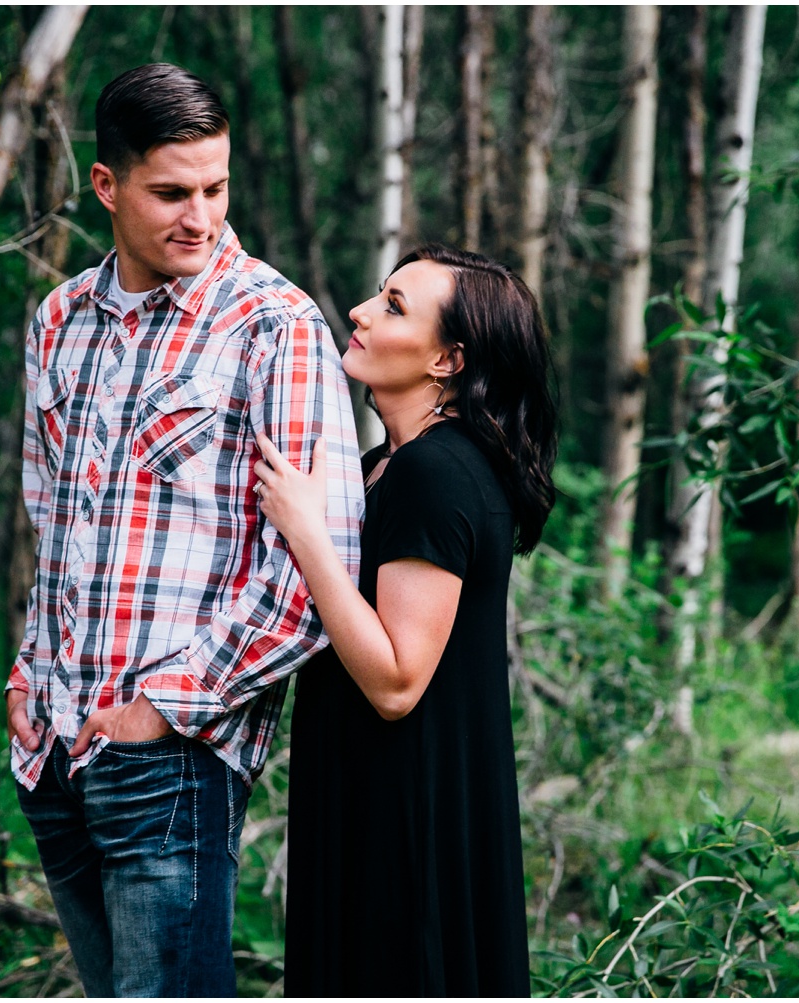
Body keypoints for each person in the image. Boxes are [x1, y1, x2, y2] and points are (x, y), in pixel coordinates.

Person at [4, 63, 365, 997]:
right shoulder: (58, 323)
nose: (198, 216)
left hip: (173, 756)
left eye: (215, 188)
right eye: (170, 192)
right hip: (53, 745)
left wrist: (164, 711)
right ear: (106, 185)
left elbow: (310, 578)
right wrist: (26, 677)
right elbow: (56, 525)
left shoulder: (274, 327)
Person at [253, 245, 559, 995]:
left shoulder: (438, 471)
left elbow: (396, 680)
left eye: (393, 306)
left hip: (407, 819)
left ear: (448, 360)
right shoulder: (388, 466)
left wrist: (306, 534)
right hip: (373, 803)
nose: (359, 312)